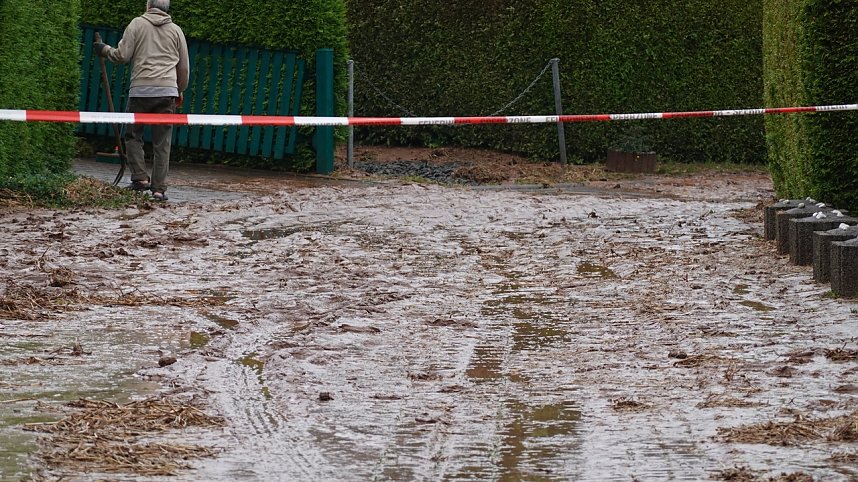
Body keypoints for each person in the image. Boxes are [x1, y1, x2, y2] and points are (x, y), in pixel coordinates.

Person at [94, 0, 189, 202]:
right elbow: (183, 68)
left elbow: (122, 56)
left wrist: (104, 49)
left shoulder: (137, 24)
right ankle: (159, 190)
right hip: (167, 92)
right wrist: (179, 90)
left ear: (148, 5)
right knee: (162, 142)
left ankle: (140, 178)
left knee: (132, 134)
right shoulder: (176, 31)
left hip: (141, 91)